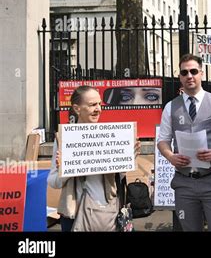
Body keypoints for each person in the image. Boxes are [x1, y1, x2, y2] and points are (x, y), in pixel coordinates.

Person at [157, 54, 211, 231]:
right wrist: (170, 156)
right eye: (184, 72)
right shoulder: (170, 107)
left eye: (193, 71)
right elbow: (163, 140)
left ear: (201, 73)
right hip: (184, 182)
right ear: (180, 77)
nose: (189, 76)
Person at [47, 85, 141, 231]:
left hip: (109, 216)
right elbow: (53, 182)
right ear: (77, 109)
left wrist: (128, 160)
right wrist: (65, 170)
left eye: (99, 104)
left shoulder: (109, 137)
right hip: (76, 217)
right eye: (92, 105)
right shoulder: (65, 139)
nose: (98, 109)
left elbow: (118, 178)